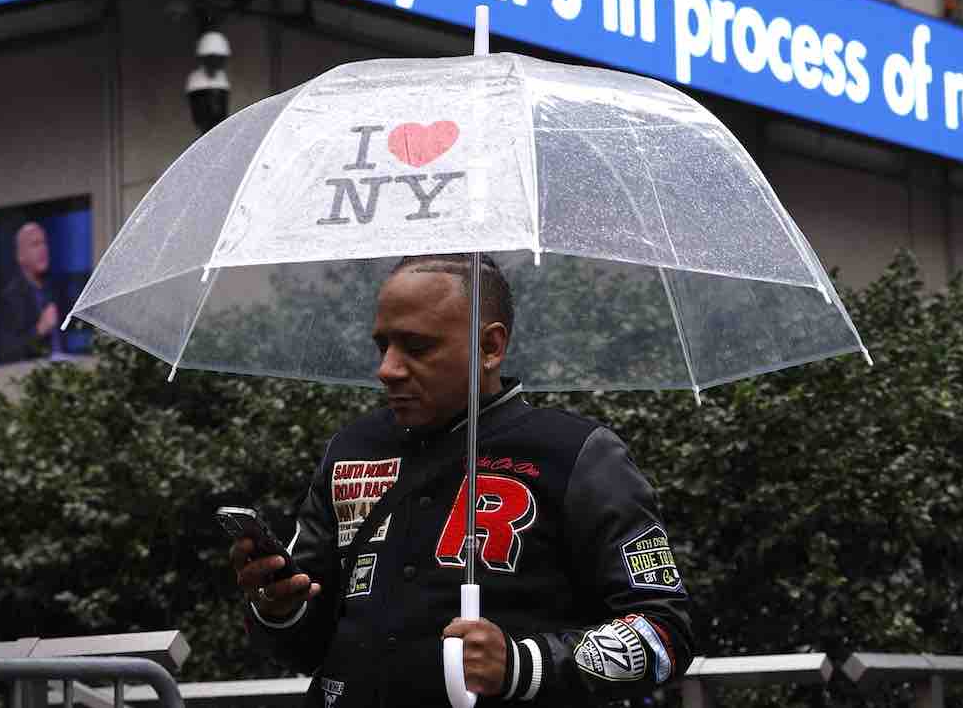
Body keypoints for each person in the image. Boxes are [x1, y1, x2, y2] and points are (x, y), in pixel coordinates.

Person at [230, 254, 693, 708]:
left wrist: (521, 666)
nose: (387, 369)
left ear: (490, 347)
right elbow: (307, 648)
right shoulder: (352, 447)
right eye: (382, 346)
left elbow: (664, 634)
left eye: (416, 347)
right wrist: (279, 610)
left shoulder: (577, 454)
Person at [0, 221, 64, 363]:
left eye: (44, 243)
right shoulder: (11, 298)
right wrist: (39, 331)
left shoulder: (57, 289)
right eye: (35, 244)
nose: (43, 249)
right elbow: (7, 352)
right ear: (20, 256)